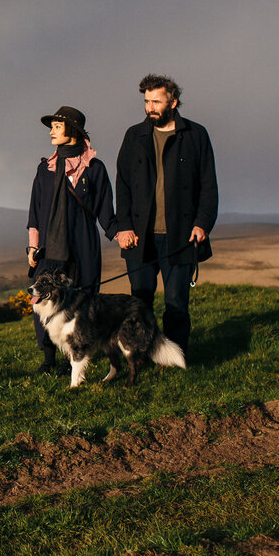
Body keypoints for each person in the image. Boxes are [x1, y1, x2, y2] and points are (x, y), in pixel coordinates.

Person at [114, 75, 218, 356]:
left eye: (156, 101)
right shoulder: (133, 135)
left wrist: (202, 224)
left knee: (176, 302)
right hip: (140, 237)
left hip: (181, 236)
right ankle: (142, 356)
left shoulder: (196, 135)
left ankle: (175, 357)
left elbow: (208, 185)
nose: (150, 107)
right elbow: (122, 184)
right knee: (140, 303)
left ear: (172, 101)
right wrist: (123, 227)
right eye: (146, 101)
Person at [27, 106, 120, 374]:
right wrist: (32, 245)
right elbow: (35, 209)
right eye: (52, 127)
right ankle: (48, 361)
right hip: (48, 248)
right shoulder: (44, 169)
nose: (51, 132)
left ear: (73, 130)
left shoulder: (94, 168)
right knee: (43, 301)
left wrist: (120, 234)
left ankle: (75, 359)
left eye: (57, 126)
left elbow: (105, 209)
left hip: (83, 247)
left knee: (84, 305)